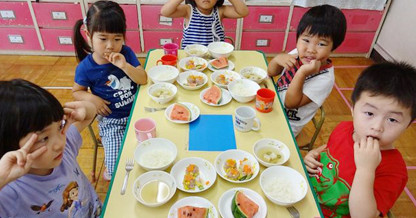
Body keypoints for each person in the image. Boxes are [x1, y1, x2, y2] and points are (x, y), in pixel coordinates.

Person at [304, 62, 416, 217]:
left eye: (392, 120)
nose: (377, 127)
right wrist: (314, 154)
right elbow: (330, 149)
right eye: (370, 113)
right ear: (353, 109)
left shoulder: (394, 171)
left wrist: (366, 170)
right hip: (305, 197)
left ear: (408, 125)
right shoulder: (343, 129)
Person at [0, 79, 101, 217]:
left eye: (60, 126)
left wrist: (83, 109)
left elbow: (90, 113)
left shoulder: (65, 150)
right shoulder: (8, 192)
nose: (59, 143)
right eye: (43, 138)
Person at [72, 0, 147, 180]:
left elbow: (143, 79)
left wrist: (125, 66)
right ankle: (109, 167)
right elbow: (77, 91)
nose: (110, 46)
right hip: (112, 123)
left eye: (117, 39)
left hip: (137, 114)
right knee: (116, 173)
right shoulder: (85, 68)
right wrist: (93, 99)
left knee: (148, 159)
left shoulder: (126, 53)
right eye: (103, 39)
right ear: (88, 35)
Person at [267, 4, 346, 137]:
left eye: (321, 44)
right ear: (298, 38)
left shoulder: (324, 79)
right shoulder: (297, 53)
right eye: (306, 40)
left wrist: (302, 73)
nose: (310, 49)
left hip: (287, 126)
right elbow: (271, 72)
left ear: (333, 48)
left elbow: (290, 103)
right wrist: (277, 60)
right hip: (272, 107)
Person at [161, 0, 248, 49]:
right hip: (192, 59)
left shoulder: (221, 11)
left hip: (215, 57)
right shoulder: (188, 10)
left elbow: (243, 12)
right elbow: (165, 12)